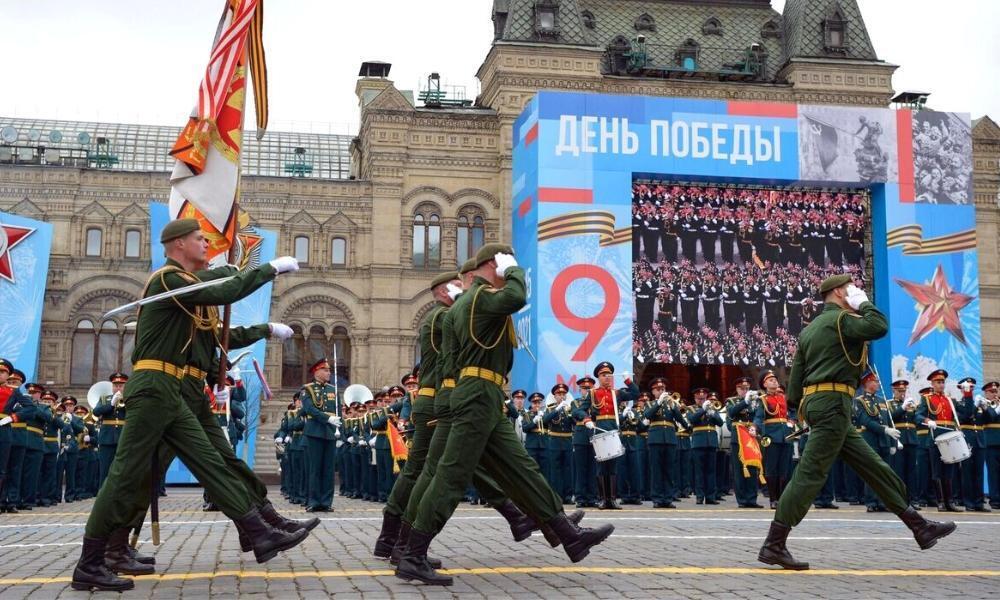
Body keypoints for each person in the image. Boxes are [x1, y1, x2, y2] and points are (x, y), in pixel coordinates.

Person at [71, 219, 309, 592]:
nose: (205, 245)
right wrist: (268, 269)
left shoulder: (189, 288)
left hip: (175, 387)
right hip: (155, 385)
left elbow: (216, 332)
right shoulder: (167, 279)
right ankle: (90, 561)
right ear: (178, 243)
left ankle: (259, 530)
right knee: (127, 475)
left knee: (211, 460)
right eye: (199, 239)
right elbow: (227, 291)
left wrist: (259, 325)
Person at [399, 245, 614, 586]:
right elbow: (516, 297)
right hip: (477, 395)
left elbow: (449, 362)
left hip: (481, 395)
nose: (510, 270)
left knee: (519, 467)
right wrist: (513, 271)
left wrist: (454, 395)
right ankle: (411, 554)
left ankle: (567, 534)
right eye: (504, 262)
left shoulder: (461, 306)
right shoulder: (480, 297)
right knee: (451, 476)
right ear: (492, 264)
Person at [758, 274, 956, 570]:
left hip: (822, 405)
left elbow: (796, 381)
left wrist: (805, 410)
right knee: (810, 473)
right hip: (834, 404)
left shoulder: (810, 330)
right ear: (839, 292)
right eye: (850, 288)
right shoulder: (841, 320)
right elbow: (879, 326)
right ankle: (774, 544)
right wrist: (863, 303)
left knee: (873, 466)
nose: (855, 291)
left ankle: (919, 526)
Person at [754, 371, 795, 509]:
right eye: (770, 380)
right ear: (764, 384)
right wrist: (756, 428)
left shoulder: (783, 397)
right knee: (771, 469)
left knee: (784, 469)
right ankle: (773, 499)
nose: (774, 381)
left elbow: (792, 411)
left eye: (775, 379)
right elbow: (759, 417)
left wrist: (792, 421)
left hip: (786, 436)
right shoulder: (763, 399)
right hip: (770, 436)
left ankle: (782, 498)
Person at [726, 376, 763, 508]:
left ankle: (752, 499)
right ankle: (742, 499)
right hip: (738, 438)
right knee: (739, 470)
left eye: (747, 388)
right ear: (737, 389)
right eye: (742, 388)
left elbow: (759, 416)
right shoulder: (731, 401)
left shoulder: (756, 401)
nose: (745, 390)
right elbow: (731, 412)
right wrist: (745, 402)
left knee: (752, 469)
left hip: (751, 436)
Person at [93, 373, 128, 487]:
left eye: (121, 386)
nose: (118, 388)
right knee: (105, 469)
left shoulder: (129, 399)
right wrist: (111, 404)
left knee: (123, 469)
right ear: (112, 386)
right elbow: (96, 412)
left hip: (123, 438)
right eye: (116, 385)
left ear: (125, 387)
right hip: (107, 438)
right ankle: (103, 496)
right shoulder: (104, 399)